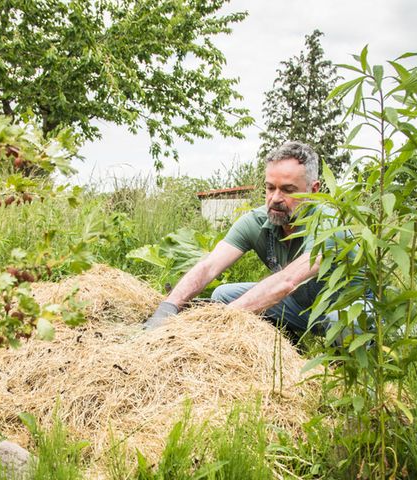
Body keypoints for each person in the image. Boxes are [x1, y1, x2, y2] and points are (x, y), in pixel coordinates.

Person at [143, 140, 343, 336]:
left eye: (288, 190)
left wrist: (220, 320)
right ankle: (287, 346)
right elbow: (209, 265)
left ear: (314, 191)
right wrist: (168, 308)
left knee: (338, 320)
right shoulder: (257, 221)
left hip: (346, 310)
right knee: (222, 295)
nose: (275, 198)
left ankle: (341, 364)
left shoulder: (328, 223)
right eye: (270, 188)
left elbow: (288, 281)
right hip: (299, 308)